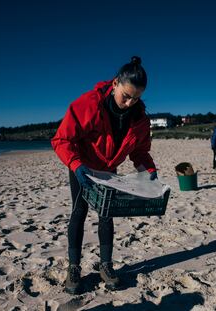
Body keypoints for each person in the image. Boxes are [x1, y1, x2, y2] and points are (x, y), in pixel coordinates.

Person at [51, 56, 158, 294]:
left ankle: (106, 265)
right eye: (126, 96)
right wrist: (77, 166)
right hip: (82, 167)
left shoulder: (140, 118)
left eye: (136, 98)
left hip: (109, 169)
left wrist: (149, 172)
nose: (129, 103)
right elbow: (61, 139)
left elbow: (140, 152)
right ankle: (74, 268)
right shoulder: (88, 104)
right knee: (79, 211)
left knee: (106, 214)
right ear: (115, 84)